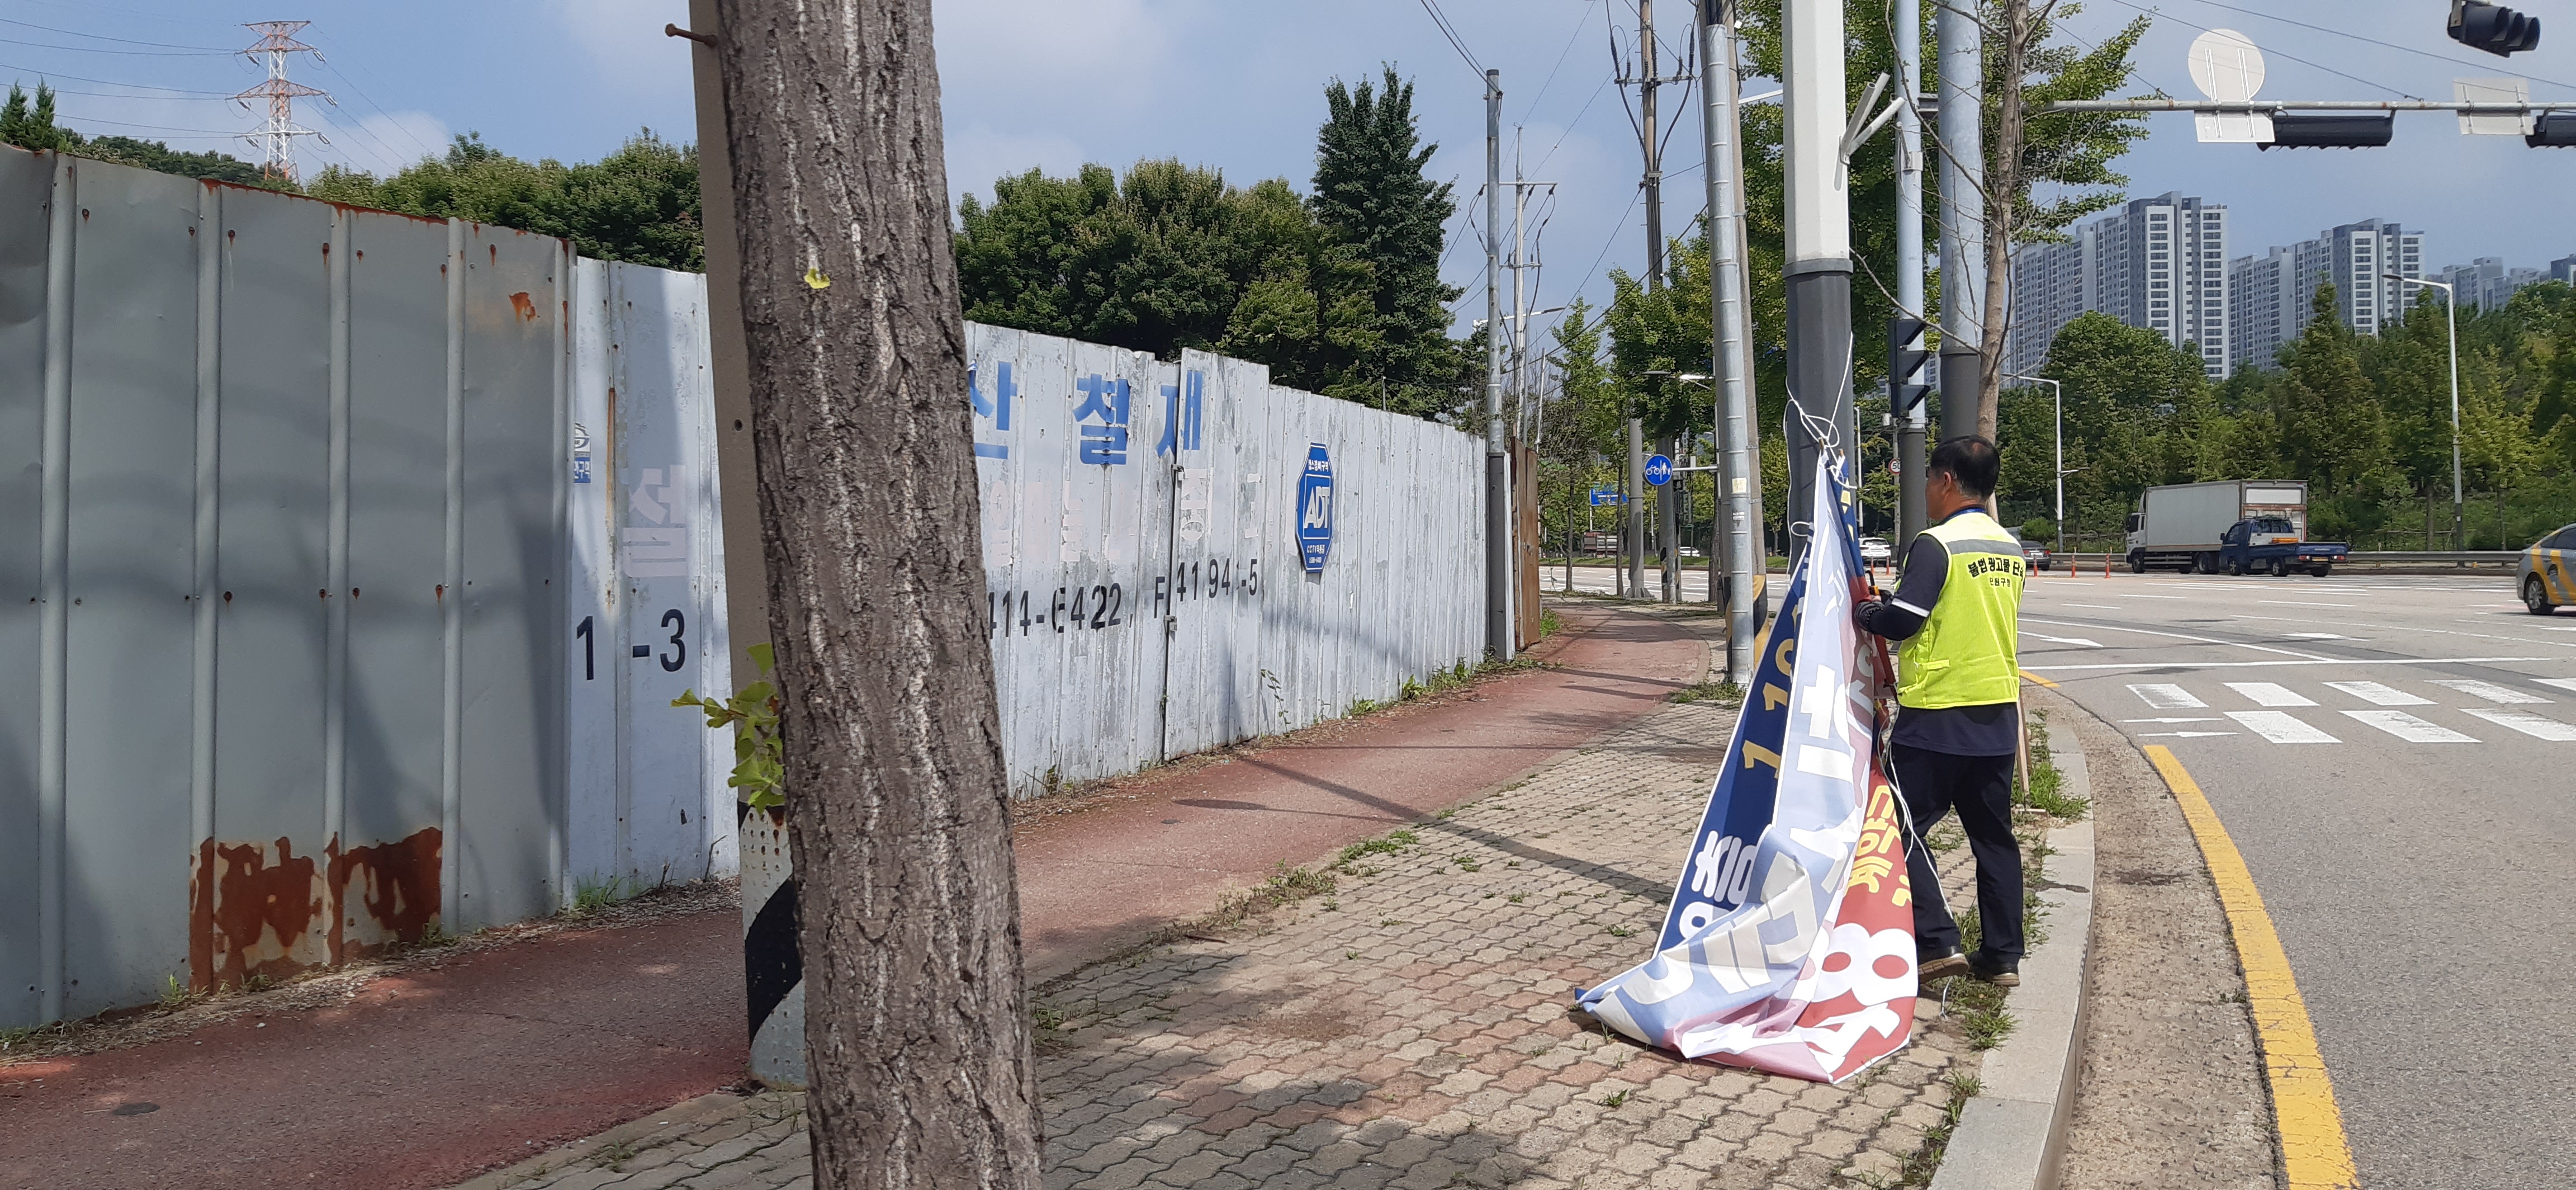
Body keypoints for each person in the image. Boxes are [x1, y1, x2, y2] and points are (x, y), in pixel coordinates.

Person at [1853, 436, 2026, 986]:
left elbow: (1904, 621)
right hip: (1997, 713)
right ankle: (2002, 956)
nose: (1926, 488)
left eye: (1929, 478)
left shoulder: (1937, 544)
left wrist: (1868, 614)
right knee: (1994, 838)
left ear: (1947, 480)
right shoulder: (2009, 546)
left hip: (1938, 713)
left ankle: (1937, 940)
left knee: (1895, 826)